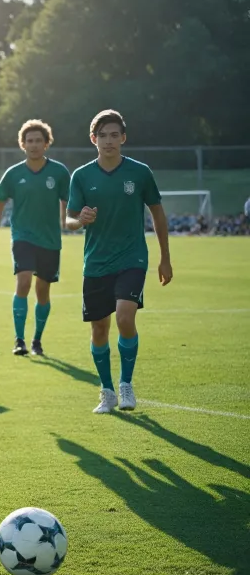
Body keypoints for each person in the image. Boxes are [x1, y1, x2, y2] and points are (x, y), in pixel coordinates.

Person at [66, 109, 172, 414]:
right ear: (93, 139)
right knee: (99, 329)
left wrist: (165, 258)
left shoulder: (140, 173)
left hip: (132, 257)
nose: (109, 141)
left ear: (123, 138)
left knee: (125, 317)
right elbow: (70, 220)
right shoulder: (82, 176)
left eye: (114, 135)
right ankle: (108, 392)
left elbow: (158, 214)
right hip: (97, 262)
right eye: (102, 135)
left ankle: (126, 385)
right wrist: (80, 219)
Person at [0, 120, 69, 356]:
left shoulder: (59, 172)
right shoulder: (13, 174)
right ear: (23, 144)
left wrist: (68, 221)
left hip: (50, 240)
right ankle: (19, 340)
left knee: (42, 291)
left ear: (46, 144)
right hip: (22, 236)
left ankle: (37, 340)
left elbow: (68, 200)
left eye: (38, 141)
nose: (34, 145)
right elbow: (0, 202)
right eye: (29, 141)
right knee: (23, 282)